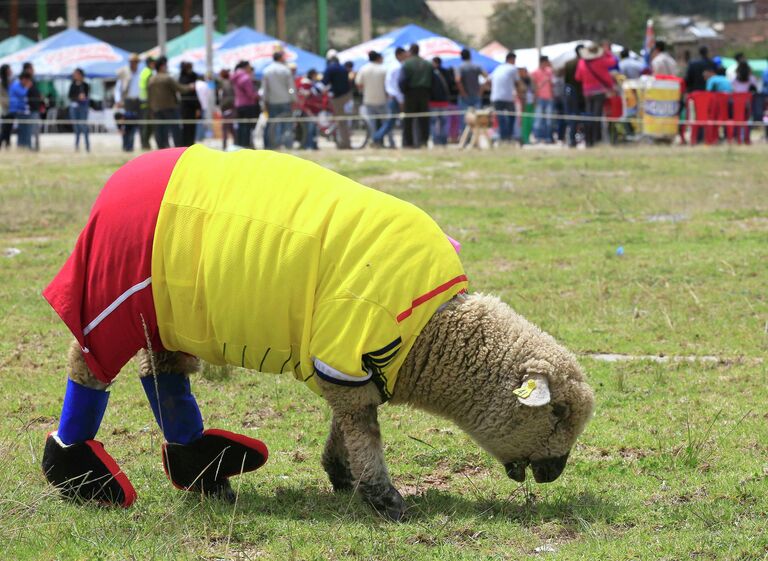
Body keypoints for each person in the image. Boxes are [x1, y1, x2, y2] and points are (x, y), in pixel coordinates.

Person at [575, 41, 616, 147]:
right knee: (596, 116)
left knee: (589, 116)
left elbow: (578, 77)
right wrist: (607, 52)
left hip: (587, 93)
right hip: (599, 92)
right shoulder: (601, 60)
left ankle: (588, 140)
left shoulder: (581, 62)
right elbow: (613, 61)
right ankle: (595, 139)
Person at [147, 56, 188, 149]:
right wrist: (190, 87)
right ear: (162, 66)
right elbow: (180, 89)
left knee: (159, 131)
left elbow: (149, 96)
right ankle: (178, 149)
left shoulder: (151, 79)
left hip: (156, 109)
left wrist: (150, 109)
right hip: (170, 108)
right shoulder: (167, 78)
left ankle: (161, 149)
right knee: (175, 130)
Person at [399, 43, 432, 148]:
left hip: (410, 93)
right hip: (425, 93)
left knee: (408, 119)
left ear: (410, 51)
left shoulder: (407, 64)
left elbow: (402, 80)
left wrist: (404, 92)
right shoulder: (427, 63)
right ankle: (424, 141)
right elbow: (433, 80)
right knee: (424, 119)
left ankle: (409, 142)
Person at [262, 51, 296, 149]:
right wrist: (294, 98)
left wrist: (265, 101)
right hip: (285, 101)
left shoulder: (267, 71)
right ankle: (287, 145)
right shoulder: (286, 70)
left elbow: (265, 89)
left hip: (272, 101)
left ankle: (275, 146)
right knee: (287, 124)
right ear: (280, 58)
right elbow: (291, 88)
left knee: (274, 125)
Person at [355, 50, 389, 146]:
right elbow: (387, 85)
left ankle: (374, 140)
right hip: (382, 99)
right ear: (378, 58)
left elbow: (358, 83)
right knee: (386, 122)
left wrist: (364, 90)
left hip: (368, 99)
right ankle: (389, 141)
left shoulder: (363, 69)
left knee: (371, 123)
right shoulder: (383, 69)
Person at [376, 46, 407, 148]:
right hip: (395, 98)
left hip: (392, 97)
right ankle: (376, 138)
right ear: (399, 55)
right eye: (404, 54)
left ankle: (377, 138)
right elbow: (397, 86)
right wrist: (401, 100)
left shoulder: (392, 66)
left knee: (390, 121)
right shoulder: (398, 67)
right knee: (390, 122)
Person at [322, 53, 353, 149]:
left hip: (338, 98)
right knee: (344, 121)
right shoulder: (343, 68)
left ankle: (345, 143)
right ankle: (343, 141)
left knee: (341, 122)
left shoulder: (330, 68)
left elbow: (324, 82)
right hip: (347, 96)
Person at [488, 52, 518, 144]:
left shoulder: (498, 68)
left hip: (495, 97)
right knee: (511, 117)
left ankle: (504, 137)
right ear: (511, 59)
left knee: (501, 118)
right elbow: (518, 83)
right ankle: (507, 137)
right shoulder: (513, 68)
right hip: (507, 97)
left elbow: (488, 81)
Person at [115, 53, 142, 152]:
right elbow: (118, 88)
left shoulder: (140, 72)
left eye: (135, 62)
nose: (133, 63)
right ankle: (125, 145)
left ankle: (130, 146)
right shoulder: (124, 71)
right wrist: (118, 101)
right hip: (125, 102)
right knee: (125, 125)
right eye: (131, 62)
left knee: (134, 125)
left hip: (137, 102)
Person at [455, 48, 486, 132]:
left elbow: (458, 80)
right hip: (476, 96)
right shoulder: (477, 66)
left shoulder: (460, 67)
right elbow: (487, 78)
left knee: (464, 119)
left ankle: (465, 139)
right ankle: (476, 137)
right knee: (477, 118)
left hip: (465, 98)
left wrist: (463, 93)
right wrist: (481, 91)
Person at [231, 61, 259, 149]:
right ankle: (246, 145)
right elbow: (251, 93)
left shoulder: (235, 77)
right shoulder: (245, 78)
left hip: (239, 105)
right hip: (248, 105)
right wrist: (257, 95)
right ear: (246, 67)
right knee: (247, 127)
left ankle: (240, 144)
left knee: (241, 126)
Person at [563, 44, 585, 147]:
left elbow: (566, 81)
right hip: (582, 94)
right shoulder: (584, 63)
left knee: (572, 117)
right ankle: (586, 138)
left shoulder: (568, 63)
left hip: (571, 93)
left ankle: (572, 140)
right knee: (585, 117)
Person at [296, 68, 323, 149]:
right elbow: (304, 93)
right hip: (308, 108)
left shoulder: (312, 83)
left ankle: (313, 145)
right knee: (309, 128)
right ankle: (308, 145)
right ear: (312, 75)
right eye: (315, 75)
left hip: (314, 108)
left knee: (313, 128)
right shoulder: (306, 82)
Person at [429, 57, 453, 146]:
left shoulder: (430, 73)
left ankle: (436, 141)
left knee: (433, 123)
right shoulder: (446, 72)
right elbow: (451, 84)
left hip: (433, 102)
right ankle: (444, 141)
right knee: (444, 122)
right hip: (444, 101)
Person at [531, 55, 554, 143]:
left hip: (549, 98)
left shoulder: (550, 71)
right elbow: (534, 87)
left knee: (549, 119)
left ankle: (548, 137)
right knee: (538, 119)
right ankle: (537, 138)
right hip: (540, 98)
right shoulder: (534, 73)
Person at [68, 68, 91, 152]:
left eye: (76, 74)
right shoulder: (72, 85)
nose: (75, 76)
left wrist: (83, 97)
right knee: (76, 128)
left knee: (83, 126)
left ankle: (87, 146)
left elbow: (87, 96)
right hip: (74, 108)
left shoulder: (85, 85)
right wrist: (78, 97)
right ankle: (76, 146)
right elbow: (70, 96)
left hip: (83, 107)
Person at [178, 62, 201, 147]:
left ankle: (189, 144)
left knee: (189, 128)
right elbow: (190, 95)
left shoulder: (188, 78)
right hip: (188, 108)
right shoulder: (185, 80)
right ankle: (187, 145)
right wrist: (197, 107)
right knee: (188, 128)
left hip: (189, 107)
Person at [8, 71, 32, 149]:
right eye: (27, 81)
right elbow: (23, 94)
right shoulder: (16, 86)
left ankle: (23, 144)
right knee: (22, 129)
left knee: (24, 128)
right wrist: (27, 87)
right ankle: (21, 145)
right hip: (17, 110)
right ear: (23, 79)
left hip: (22, 110)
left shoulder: (17, 85)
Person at [23, 62, 42, 151]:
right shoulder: (24, 81)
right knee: (30, 129)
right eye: (31, 68)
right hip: (29, 109)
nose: (33, 70)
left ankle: (35, 146)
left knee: (35, 129)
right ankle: (29, 146)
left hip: (35, 108)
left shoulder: (33, 81)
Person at [139, 56, 156, 149]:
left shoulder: (144, 72)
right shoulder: (149, 73)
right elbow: (150, 89)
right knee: (148, 124)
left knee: (146, 124)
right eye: (153, 63)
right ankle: (145, 144)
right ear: (150, 63)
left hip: (143, 101)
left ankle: (145, 143)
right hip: (148, 102)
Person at [218, 69, 236, 150]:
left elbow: (229, 98)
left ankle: (225, 146)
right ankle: (233, 143)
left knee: (226, 127)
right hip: (228, 108)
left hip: (228, 108)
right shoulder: (226, 83)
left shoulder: (226, 83)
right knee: (229, 127)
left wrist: (222, 106)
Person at [0, 64, 12, 149]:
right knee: (5, 129)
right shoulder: (2, 83)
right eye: (9, 69)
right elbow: (2, 98)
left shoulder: (11, 82)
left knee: (7, 129)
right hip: (5, 110)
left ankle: (7, 144)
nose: (11, 71)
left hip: (10, 109)